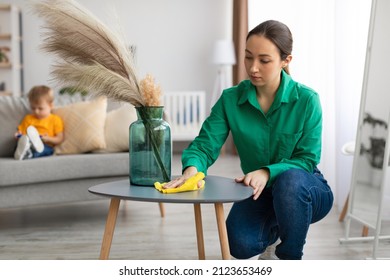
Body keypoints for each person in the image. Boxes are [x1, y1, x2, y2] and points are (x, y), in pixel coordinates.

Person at [163, 20, 334, 260]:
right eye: (248, 57)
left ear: (286, 61)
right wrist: (192, 169)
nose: (253, 68)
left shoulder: (307, 100)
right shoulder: (230, 99)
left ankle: (290, 257)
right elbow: (205, 144)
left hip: (305, 189)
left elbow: (306, 159)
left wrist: (266, 172)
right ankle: (278, 230)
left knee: (290, 182)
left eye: (264, 60)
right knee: (239, 244)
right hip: (258, 192)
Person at [14, 85, 64, 160]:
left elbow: (59, 139)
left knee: (46, 150)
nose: (36, 111)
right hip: (29, 144)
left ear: (51, 106)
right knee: (17, 146)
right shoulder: (28, 118)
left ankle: (28, 154)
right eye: (33, 108)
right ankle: (25, 151)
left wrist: (48, 139)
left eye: (40, 108)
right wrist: (18, 135)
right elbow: (22, 133)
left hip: (45, 145)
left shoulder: (55, 119)